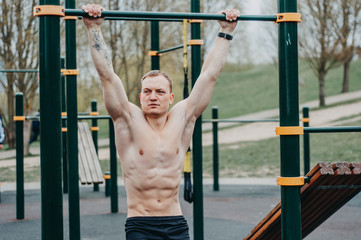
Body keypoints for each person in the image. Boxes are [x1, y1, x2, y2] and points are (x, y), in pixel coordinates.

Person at [82, 4, 240, 239]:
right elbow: (107, 76)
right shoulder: (127, 119)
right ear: (140, 96)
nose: (153, 96)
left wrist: (226, 31)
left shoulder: (183, 117)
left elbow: (209, 76)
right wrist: (94, 27)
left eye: (159, 91)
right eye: (147, 91)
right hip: (140, 224)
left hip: (175, 223)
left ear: (171, 97)